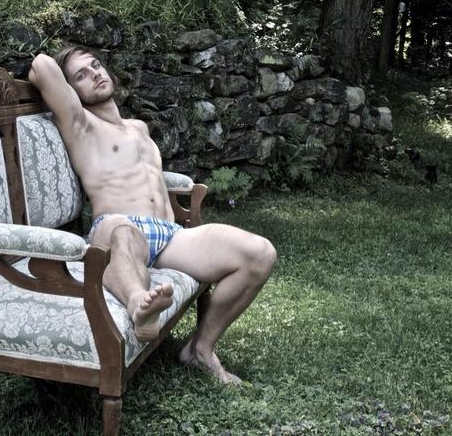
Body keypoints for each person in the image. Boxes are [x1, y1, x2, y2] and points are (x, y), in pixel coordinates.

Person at [29, 46, 277, 384]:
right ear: (71, 90)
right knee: (122, 231)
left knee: (260, 254)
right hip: (117, 229)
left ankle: (200, 349)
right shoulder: (80, 123)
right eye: (81, 75)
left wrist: (81, 70)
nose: (95, 74)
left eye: (96, 65)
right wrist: (66, 78)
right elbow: (41, 66)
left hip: (170, 236)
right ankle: (139, 305)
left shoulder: (139, 128)